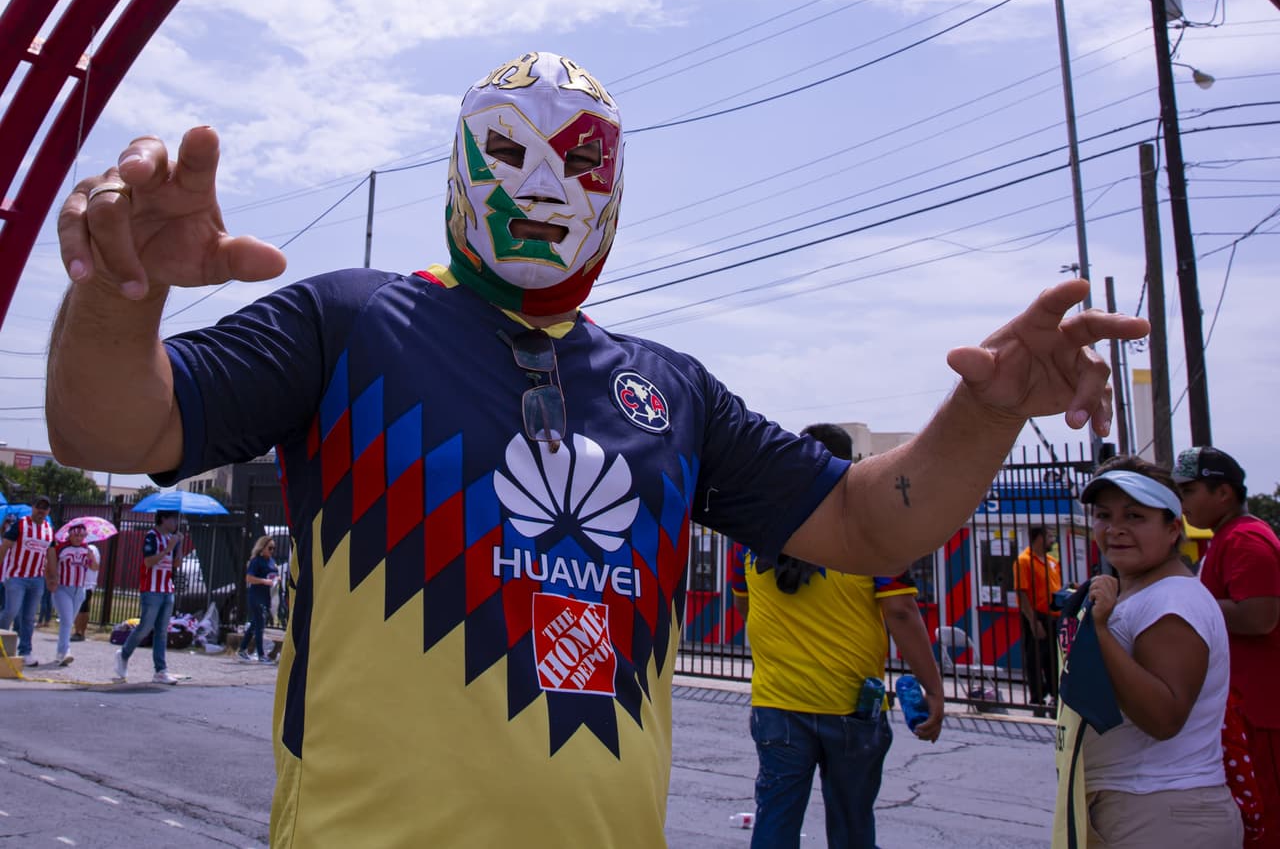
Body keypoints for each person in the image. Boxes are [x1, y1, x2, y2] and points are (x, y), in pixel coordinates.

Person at [46, 51, 1147, 847]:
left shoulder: (671, 391)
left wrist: (990, 411)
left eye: (579, 161)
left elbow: (869, 521)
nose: (542, 186)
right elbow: (110, 426)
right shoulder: (351, 323)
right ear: (458, 164)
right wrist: (118, 296)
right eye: (510, 151)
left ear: (617, 187)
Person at [728, 423, 944, 849]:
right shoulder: (871, 531)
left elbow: (743, 604)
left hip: (777, 702)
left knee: (775, 822)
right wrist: (933, 688)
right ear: (850, 467)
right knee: (852, 828)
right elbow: (900, 611)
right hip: (851, 705)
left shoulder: (752, 532)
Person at [1053, 456, 1241, 848]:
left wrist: (1101, 632)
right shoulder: (1146, 593)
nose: (1116, 529)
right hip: (1144, 807)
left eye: (1135, 516)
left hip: (1161, 812)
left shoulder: (1172, 602)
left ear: (1173, 528)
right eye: (1104, 515)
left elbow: (1163, 717)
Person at [1174, 445, 1280, 845]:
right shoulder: (1226, 537)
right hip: (1245, 709)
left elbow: (1259, 616)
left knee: (1267, 821)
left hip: (1263, 713)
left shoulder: (1246, 540)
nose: (1182, 502)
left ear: (1224, 493)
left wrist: (1187, 600)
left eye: (1189, 490)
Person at [114, 510, 182, 685]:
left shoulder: (171, 539)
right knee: (145, 627)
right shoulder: (152, 536)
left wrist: (178, 547)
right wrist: (168, 549)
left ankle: (160, 670)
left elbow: (175, 564)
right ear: (163, 519)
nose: (176, 522)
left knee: (162, 631)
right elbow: (148, 562)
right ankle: (124, 654)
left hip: (167, 588)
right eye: (173, 518)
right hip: (151, 589)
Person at [0, 496, 54, 666]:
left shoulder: (49, 529)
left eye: (44, 508)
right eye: (39, 507)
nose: (41, 511)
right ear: (33, 507)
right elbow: (5, 546)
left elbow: (51, 555)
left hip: (37, 578)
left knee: (29, 617)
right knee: (11, 611)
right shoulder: (21, 524)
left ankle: (25, 651)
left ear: (48, 511)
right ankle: (1, 644)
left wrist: (53, 577)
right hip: (17, 575)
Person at [1016, 524, 1062, 713]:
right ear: (1039, 537)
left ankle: (1055, 696)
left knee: (1053, 659)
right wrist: (1033, 621)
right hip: (1037, 616)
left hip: (1054, 616)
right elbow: (1022, 592)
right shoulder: (1024, 561)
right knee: (1035, 658)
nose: (1052, 540)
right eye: (1050, 536)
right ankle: (1037, 700)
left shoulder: (1051, 561)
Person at [46, 521, 100, 666]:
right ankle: (65, 651)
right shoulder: (61, 549)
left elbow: (95, 568)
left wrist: (91, 558)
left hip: (79, 589)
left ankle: (60, 652)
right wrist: (51, 580)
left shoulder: (86, 549)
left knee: (68, 621)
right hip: (63, 588)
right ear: (69, 534)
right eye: (76, 535)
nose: (78, 538)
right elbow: (50, 564)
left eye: (82, 535)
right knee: (67, 620)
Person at [239, 535, 279, 663]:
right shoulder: (256, 561)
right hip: (256, 596)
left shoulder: (271, 561)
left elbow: (274, 575)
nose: (272, 551)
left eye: (274, 548)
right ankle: (261, 655)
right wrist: (264, 581)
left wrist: (276, 579)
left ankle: (242, 649)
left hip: (267, 596)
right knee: (259, 625)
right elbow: (249, 578)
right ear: (263, 547)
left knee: (254, 624)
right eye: (270, 548)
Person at [70, 541, 100, 642]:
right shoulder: (77, 549)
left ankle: (79, 631)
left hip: (87, 583)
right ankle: (79, 631)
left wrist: (88, 557)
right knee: (82, 607)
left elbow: (95, 567)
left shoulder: (92, 549)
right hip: (78, 582)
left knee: (82, 608)